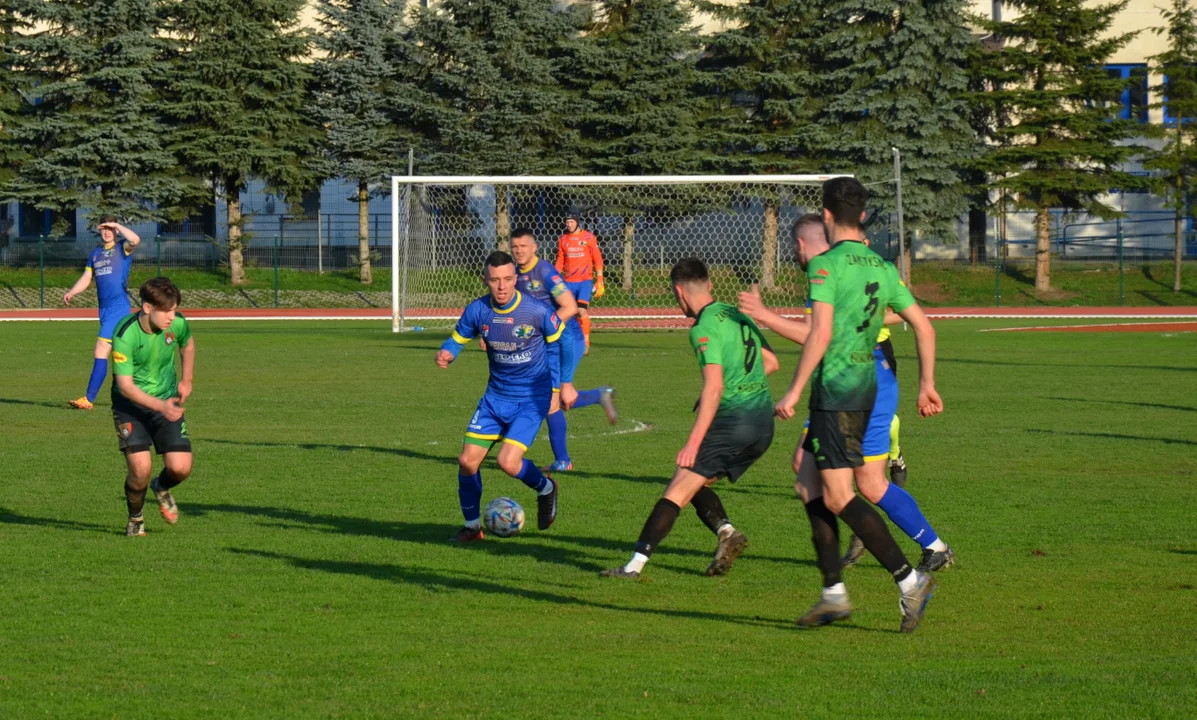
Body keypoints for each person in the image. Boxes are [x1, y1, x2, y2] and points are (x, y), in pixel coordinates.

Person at [772, 178, 943, 633]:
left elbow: (819, 334)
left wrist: (792, 391)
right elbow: (925, 329)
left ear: (826, 217)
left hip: (838, 392)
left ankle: (911, 581)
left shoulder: (825, 266)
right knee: (807, 484)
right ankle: (833, 593)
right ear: (862, 217)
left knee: (841, 495)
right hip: (868, 386)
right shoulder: (882, 266)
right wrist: (926, 384)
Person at [739, 214, 954, 573]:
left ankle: (855, 557)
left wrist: (764, 316)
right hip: (867, 377)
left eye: (796, 245)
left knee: (829, 478)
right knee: (852, 479)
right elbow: (907, 318)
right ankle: (929, 547)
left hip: (852, 377)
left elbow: (816, 335)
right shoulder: (870, 266)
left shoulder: (829, 270)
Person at [602, 259, 779, 579]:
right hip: (764, 424)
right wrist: (729, 385)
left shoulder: (703, 328)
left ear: (678, 292)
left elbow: (713, 387)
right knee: (695, 482)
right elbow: (770, 361)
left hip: (734, 424)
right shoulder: (735, 313)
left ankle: (633, 567)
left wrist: (693, 442)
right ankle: (726, 533)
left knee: (676, 489)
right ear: (709, 285)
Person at [436, 251, 564, 542]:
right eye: (495, 280)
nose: (502, 286)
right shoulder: (478, 310)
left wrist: (557, 388)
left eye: (507, 279)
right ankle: (472, 528)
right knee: (468, 461)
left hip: (532, 398)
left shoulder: (536, 311)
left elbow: (557, 346)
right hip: (495, 399)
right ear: (485, 280)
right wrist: (448, 352)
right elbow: (458, 337)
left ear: (515, 279)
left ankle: (546, 489)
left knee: (508, 462)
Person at [510, 228, 617, 472]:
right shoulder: (517, 274)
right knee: (550, 400)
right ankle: (600, 395)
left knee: (552, 402)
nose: (519, 251)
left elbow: (569, 309)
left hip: (566, 342)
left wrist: (567, 382)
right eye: (515, 246)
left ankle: (563, 461)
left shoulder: (546, 272)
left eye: (523, 246)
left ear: (534, 247)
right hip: (546, 346)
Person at [110, 277, 194, 537]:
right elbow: (125, 386)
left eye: (174, 309)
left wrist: (186, 379)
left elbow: (187, 345)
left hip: (167, 400)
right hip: (130, 408)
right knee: (140, 470)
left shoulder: (177, 323)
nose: (172, 316)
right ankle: (136, 518)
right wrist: (161, 406)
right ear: (147, 308)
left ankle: (161, 486)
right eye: (166, 310)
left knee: (180, 468)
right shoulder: (124, 334)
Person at [64, 215, 141, 409]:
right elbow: (86, 277)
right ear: (99, 231)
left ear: (115, 230)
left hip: (118, 309)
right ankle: (138, 394)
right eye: (103, 228)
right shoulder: (96, 253)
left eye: (110, 228)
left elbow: (135, 240)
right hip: (105, 311)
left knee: (101, 349)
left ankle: (88, 399)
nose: (107, 232)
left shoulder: (122, 248)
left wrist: (117, 224)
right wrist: (73, 291)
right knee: (122, 354)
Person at [555, 216, 604, 354]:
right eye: (567, 222)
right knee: (566, 313)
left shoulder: (589, 237)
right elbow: (560, 260)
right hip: (568, 282)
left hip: (584, 281)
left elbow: (597, 258)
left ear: (577, 223)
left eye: (571, 222)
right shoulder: (563, 239)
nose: (568, 224)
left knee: (581, 310)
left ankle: (586, 343)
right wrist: (554, 277)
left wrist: (600, 278)